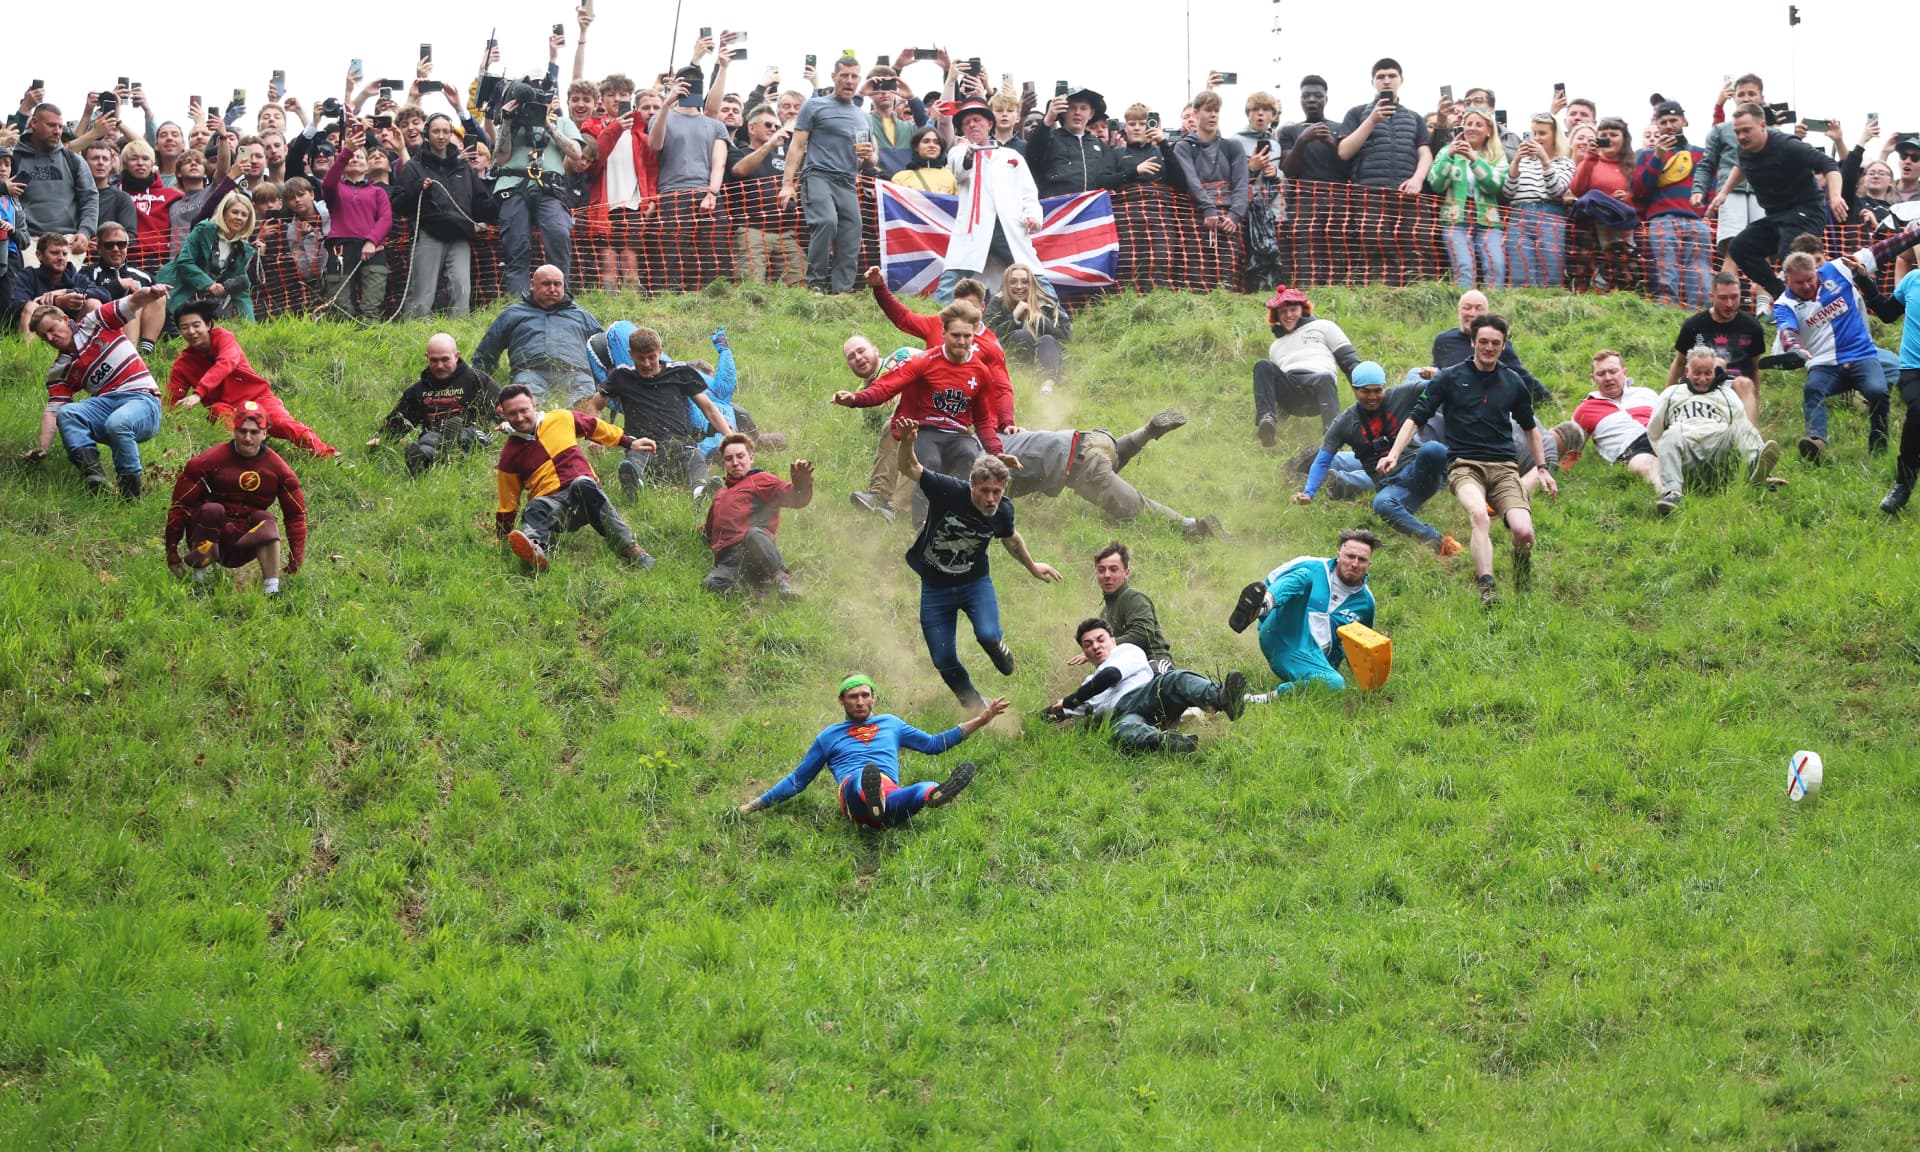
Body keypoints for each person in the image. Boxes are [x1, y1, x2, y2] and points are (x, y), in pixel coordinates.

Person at [1378, 313, 1555, 605]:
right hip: (1465, 465)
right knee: (1479, 514)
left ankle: (1522, 577)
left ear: (1503, 345)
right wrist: (1394, 454)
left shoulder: (1512, 382)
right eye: (1483, 341)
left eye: (1495, 343)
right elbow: (1415, 418)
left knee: (1523, 532)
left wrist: (1542, 468)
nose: (1489, 347)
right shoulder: (1449, 378)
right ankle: (1487, 587)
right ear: (1472, 342)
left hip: (1504, 468)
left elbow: (1530, 429)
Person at [895, 417, 1061, 708]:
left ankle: (997, 648)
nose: (990, 498)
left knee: (987, 634)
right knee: (942, 658)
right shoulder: (947, 489)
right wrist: (908, 442)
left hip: (974, 584)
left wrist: (1033, 566)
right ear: (971, 485)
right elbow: (909, 467)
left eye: (997, 492)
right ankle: (973, 704)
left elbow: (1011, 539)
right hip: (935, 588)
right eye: (984, 491)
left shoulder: (1003, 511)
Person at [738, 675, 1000, 829]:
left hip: (889, 798)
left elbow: (932, 744)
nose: (860, 701)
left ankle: (935, 794)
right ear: (841, 700)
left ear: (874, 698)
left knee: (922, 789)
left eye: (865, 695)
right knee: (858, 780)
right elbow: (798, 779)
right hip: (853, 798)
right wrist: (754, 805)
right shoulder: (829, 736)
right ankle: (872, 797)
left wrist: (981, 720)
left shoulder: (891, 723)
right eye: (853, 696)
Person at [834, 301, 1009, 528]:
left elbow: (984, 420)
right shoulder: (924, 361)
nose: (961, 341)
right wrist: (855, 399)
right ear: (943, 333)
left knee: (968, 455)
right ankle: (919, 521)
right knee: (928, 458)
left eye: (967, 336)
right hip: (925, 428)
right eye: (956, 335)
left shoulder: (980, 372)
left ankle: (953, 520)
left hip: (958, 433)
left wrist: (997, 451)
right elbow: (886, 386)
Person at [1773, 228, 1920, 462]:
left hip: (1862, 355)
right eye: (1799, 283)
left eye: (1810, 279)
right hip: (1824, 363)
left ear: (1816, 270)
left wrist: (1916, 233)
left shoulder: (1838, 268)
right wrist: (1794, 349)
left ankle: (1878, 447)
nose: (1807, 286)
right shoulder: (1784, 304)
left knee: (1878, 391)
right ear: (1787, 280)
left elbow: (1883, 250)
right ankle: (1816, 442)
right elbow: (1787, 330)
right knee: (1813, 389)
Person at [1296, 361, 1462, 555]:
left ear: (1384, 387)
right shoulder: (1344, 423)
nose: (1373, 397)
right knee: (1381, 504)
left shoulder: (1400, 395)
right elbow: (1323, 460)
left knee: (1433, 449)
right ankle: (1438, 543)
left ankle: (1468, 486)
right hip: (1392, 486)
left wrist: (1437, 373)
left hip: (1419, 470)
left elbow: (1447, 383)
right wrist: (1309, 492)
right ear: (1354, 389)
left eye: (1377, 390)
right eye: (1365, 392)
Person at [493, 383, 656, 571]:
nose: (520, 418)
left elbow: (595, 427)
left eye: (524, 410)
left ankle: (631, 550)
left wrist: (629, 442)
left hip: (587, 496)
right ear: (504, 415)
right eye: (513, 414)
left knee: (582, 483)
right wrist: (502, 539)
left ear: (534, 405)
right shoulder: (509, 456)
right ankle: (535, 552)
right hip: (555, 508)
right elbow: (508, 503)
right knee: (534, 506)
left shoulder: (561, 418)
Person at [27, 284, 172, 497]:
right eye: (43, 336)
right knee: (68, 413)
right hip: (108, 405)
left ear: (65, 320)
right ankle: (95, 478)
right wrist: (43, 448)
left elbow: (132, 301)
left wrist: (151, 292)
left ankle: (130, 493)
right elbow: (53, 411)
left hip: (143, 400)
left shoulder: (95, 321)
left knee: (118, 422)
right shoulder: (60, 370)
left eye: (51, 329)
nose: (50, 338)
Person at [162, 401, 306, 594]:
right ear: (234, 430)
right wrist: (171, 552)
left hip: (246, 541)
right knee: (212, 509)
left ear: (265, 433)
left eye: (254, 432)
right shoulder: (207, 461)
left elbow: (296, 516)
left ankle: (272, 590)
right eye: (242, 431)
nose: (247, 438)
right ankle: (198, 583)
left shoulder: (279, 471)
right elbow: (180, 506)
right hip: (211, 534)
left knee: (266, 520)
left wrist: (296, 559)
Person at [1000, 410, 1219, 536]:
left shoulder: (985, 463)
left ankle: (1195, 528)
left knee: (1137, 507)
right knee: (1108, 461)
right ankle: (1146, 432)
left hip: (1083, 466)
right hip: (1093, 439)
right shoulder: (996, 436)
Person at [1707, 103, 1844, 303]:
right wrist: (1724, 192)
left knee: (1788, 253)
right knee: (1740, 248)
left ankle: (1822, 300)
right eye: (1737, 132)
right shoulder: (1745, 149)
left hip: (1808, 210)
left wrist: (1836, 196)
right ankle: (1784, 297)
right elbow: (1741, 166)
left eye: (1747, 130)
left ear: (1763, 126)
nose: (1742, 136)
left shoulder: (1787, 145)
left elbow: (1828, 164)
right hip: (1776, 216)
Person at [1045, 619, 1246, 754]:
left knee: (1176, 679)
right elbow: (1057, 713)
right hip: (1121, 716)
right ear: (1083, 652)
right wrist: (1042, 715)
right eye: (1088, 644)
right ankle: (1167, 741)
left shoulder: (1126, 651)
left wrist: (1070, 700)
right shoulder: (1087, 683)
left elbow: (1111, 675)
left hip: (1148, 694)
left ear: (1112, 641)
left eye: (1100, 639)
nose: (1095, 646)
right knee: (1122, 731)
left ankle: (1222, 698)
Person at [167, 300, 337, 457]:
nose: (191, 332)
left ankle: (326, 454)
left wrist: (198, 393)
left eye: (196, 325)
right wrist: (176, 434)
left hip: (258, 398)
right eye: (184, 327)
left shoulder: (224, 338)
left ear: (208, 324)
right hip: (226, 408)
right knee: (219, 413)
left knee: (283, 424)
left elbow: (226, 363)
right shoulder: (183, 363)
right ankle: (241, 459)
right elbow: (170, 402)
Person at [1228, 528, 1379, 698]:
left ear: (1369, 565)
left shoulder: (1366, 603)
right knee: (1304, 577)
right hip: (1282, 633)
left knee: (1337, 684)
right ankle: (1259, 608)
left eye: (1362, 560)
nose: (1355, 564)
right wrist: (1262, 613)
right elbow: (1270, 584)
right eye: (1350, 556)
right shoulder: (1311, 565)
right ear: (1339, 556)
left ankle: (1255, 699)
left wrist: (1370, 682)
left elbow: (1360, 648)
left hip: (1309, 660)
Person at [588, 325, 734, 498]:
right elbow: (595, 405)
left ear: (660, 352)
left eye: (652, 357)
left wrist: (730, 438)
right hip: (641, 444)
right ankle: (636, 485)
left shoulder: (680, 372)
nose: (647, 364)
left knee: (694, 456)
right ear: (631, 354)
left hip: (679, 445)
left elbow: (709, 408)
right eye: (641, 358)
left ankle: (700, 492)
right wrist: (595, 437)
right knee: (635, 457)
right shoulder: (621, 376)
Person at [1646, 347, 1784, 515]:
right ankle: (1673, 492)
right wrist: (1668, 463)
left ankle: (1757, 471)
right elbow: (1654, 432)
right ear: (1687, 371)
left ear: (1715, 372)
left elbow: (1746, 433)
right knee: (1670, 434)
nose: (1702, 379)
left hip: (1720, 457)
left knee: (1742, 425)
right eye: (1697, 373)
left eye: (1708, 373)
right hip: (1687, 457)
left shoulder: (1727, 395)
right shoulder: (1671, 394)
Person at [781, 57, 870, 294]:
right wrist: (787, 184)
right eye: (844, 75)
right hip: (818, 175)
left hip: (848, 180)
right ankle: (816, 285)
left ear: (859, 80)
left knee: (852, 230)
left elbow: (870, 159)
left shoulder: (864, 117)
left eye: (854, 76)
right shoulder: (814, 106)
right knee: (826, 222)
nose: (849, 81)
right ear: (833, 77)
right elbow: (797, 146)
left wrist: (868, 155)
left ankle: (842, 292)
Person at [941, 99, 1044, 302]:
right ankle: (936, 318)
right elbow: (959, 170)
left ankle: (1057, 316)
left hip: (1008, 227)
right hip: (974, 230)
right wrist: (969, 154)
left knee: (1032, 275)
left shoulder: (1011, 155)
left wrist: (1032, 215)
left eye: (977, 120)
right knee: (951, 281)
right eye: (967, 122)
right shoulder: (958, 152)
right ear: (962, 129)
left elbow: (1029, 193)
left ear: (989, 124)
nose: (972, 125)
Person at [493, 77, 586, 297]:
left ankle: (560, 298)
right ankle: (519, 303)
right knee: (517, 244)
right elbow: (501, 159)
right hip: (513, 186)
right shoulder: (511, 122)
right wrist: (507, 122)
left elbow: (576, 153)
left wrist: (547, 124)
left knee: (558, 233)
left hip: (550, 187)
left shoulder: (562, 122)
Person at [390, 114, 487, 318]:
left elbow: (480, 202)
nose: (441, 136)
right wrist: (418, 189)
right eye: (436, 131)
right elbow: (397, 203)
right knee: (422, 292)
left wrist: (493, 212)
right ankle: (416, 331)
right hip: (429, 233)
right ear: (427, 134)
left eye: (445, 131)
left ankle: (459, 330)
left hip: (460, 234)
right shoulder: (414, 166)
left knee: (462, 288)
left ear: (451, 134)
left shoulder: (463, 167)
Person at [471, 265, 604, 406]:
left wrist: (608, 384)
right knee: (527, 406)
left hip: (576, 374)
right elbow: (486, 352)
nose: (552, 289)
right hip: (530, 373)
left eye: (557, 284)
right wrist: (478, 385)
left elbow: (605, 351)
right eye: (546, 284)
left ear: (563, 286)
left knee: (584, 408)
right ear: (533, 285)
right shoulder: (512, 314)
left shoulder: (581, 316)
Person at [701, 433, 812, 597]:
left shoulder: (761, 479)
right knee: (710, 583)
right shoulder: (720, 494)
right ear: (724, 463)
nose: (735, 462)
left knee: (752, 533)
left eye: (740, 456)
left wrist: (802, 484)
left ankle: (782, 581)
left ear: (751, 458)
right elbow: (710, 530)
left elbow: (796, 499)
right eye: (729, 458)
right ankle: (759, 596)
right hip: (730, 561)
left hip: (754, 550)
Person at [372, 333, 500, 473]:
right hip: (434, 434)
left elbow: (504, 407)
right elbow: (401, 419)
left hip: (473, 432)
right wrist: (381, 439)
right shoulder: (418, 390)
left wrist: (509, 425)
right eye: (434, 360)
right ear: (427, 357)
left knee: (465, 436)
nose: (439, 366)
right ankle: (421, 461)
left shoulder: (476, 380)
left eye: (445, 359)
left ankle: (451, 448)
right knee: (427, 441)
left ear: (456, 356)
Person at [1252, 286, 1363, 444]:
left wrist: (1365, 390)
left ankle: (1332, 435)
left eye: (1293, 310)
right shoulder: (1275, 346)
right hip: (1291, 391)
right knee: (1262, 365)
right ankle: (1267, 420)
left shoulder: (1324, 326)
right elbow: (1273, 387)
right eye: (1283, 312)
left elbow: (1349, 361)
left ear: (1303, 309)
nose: (1288, 315)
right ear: (1276, 316)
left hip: (1319, 386)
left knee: (1324, 378)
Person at [1632, 101, 1712, 310]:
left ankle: (1700, 319)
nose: (1669, 126)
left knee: (1700, 277)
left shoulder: (1701, 153)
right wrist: (1657, 157)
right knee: (1666, 275)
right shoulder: (1646, 155)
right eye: (1664, 122)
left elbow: (1711, 186)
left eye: (1673, 120)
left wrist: (1707, 212)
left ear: (1684, 121)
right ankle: (1666, 318)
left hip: (1697, 221)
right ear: (1657, 124)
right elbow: (1639, 190)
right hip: (1662, 221)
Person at [1693, 76, 1769, 283]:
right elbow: (1707, 163)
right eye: (1741, 94)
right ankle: (1726, 297)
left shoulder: (1770, 131)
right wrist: (1698, 189)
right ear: (1734, 97)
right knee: (1733, 248)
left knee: (1763, 249)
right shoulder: (1721, 130)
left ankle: (1764, 301)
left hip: (1763, 193)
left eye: (1751, 93)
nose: (1746, 98)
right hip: (1730, 193)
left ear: (1761, 97)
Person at [1413, 289, 1551, 403]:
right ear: (1459, 312)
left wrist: (1548, 401)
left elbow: (1522, 377)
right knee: (1413, 373)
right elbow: (1438, 369)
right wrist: (1430, 373)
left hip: (1476, 399)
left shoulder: (1496, 344)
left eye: (1479, 309)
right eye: (1467, 308)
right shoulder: (1443, 340)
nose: (1472, 313)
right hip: (1444, 394)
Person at [1670, 271, 1767, 422]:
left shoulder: (1752, 327)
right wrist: (1667, 398)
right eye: (1723, 298)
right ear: (1712, 296)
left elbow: (1755, 369)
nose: (1729, 304)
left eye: (1734, 297)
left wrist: (1755, 400)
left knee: (1744, 383)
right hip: (1701, 382)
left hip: (1736, 387)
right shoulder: (1694, 325)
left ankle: (1751, 434)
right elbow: (1679, 363)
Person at [1427, 108, 1507, 289]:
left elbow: (1495, 185)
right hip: (1455, 219)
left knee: (1496, 267)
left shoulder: (1497, 155)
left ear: (1489, 130)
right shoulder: (1447, 151)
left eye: (1479, 124)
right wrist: (1449, 156)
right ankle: (1465, 305)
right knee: (1465, 268)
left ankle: (1494, 305)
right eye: (1468, 124)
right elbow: (1436, 184)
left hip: (1488, 220)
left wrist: (1474, 159)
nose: (1472, 128)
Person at [154, 190, 260, 322]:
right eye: (234, 212)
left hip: (200, 302)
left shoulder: (243, 249)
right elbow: (184, 261)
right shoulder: (204, 229)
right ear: (224, 213)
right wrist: (208, 284)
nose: (239, 217)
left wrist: (251, 326)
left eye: (244, 215)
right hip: (175, 289)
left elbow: (241, 292)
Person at [1570, 350, 1661, 493]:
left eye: (1613, 371)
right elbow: (1570, 452)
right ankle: (1667, 494)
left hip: (1660, 435)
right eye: (1601, 374)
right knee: (1644, 465)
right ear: (1593, 378)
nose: (1608, 378)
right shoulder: (1585, 410)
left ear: (1624, 372)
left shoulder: (1646, 393)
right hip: (1631, 447)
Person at [12, 102, 97, 253]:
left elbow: (90, 198)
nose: (57, 131)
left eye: (60, 126)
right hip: (27, 243)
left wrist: (85, 232)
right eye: (51, 125)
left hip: (68, 242)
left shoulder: (73, 160)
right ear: (34, 123)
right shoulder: (14, 160)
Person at [1503, 114, 1572, 289]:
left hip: (1550, 215)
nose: (1537, 138)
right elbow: (1508, 192)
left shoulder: (1566, 163)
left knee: (1550, 277)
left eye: (1542, 133)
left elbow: (1556, 190)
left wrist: (1545, 161)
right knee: (1520, 277)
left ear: (1554, 135)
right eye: (1534, 133)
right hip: (1519, 215)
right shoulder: (1522, 161)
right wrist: (1516, 162)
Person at [1084, 542, 1173, 674]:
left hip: (1153, 660)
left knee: (1156, 681)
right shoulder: (1104, 613)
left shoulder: (1134, 597)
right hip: (1126, 668)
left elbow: (1143, 634)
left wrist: (1106, 645)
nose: (1107, 575)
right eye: (1101, 570)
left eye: (1113, 569)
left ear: (1126, 573)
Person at [1170, 91, 1249, 238]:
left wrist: (1235, 215)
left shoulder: (1233, 146)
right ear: (1196, 113)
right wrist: (1208, 207)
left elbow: (1241, 183)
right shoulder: (1183, 146)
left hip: (1229, 221)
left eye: (1216, 111)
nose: (1213, 115)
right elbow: (1191, 181)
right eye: (1208, 110)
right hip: (1196, 217)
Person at [986, 265, 1070, 391]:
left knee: (1047, 339)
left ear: (1032, 284)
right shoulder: (997, 302)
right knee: (1022, 335)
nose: (1019, 286)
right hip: (1009, 363)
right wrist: (1014, 316)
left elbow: (1066, 338)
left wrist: (1039, 319)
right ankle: (1022, 383)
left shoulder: (1047, 303)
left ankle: (1047, 387)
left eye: (1025, 282)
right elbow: (988, 336)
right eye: (1013, 282)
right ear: (1006, 284)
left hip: (1048, 358)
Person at [1882, 244, 1920, 513]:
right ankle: (1902, 485)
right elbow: (1886, 314)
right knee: (1918, 409)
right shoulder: (1912, 280)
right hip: (1913, 369)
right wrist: (1863, 278)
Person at [13, 233, 113, 335]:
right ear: (39, 255)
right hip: (39, 333)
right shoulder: (28, 275)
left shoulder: (77, 278)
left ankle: (86, 344)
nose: (61, 258)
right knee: (30, 307)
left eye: (64, 254)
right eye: (55, 253)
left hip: (72, 334)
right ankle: (29, 346)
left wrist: (67, 292)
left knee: (93, 303)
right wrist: (56, 302)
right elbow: (16, 305)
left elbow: (105, 295)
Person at [892, 125, 955, 194]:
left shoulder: (950, 176)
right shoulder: (900, 178)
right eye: (926, 141)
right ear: (916, 147)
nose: (932, 145)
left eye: (937, 142)